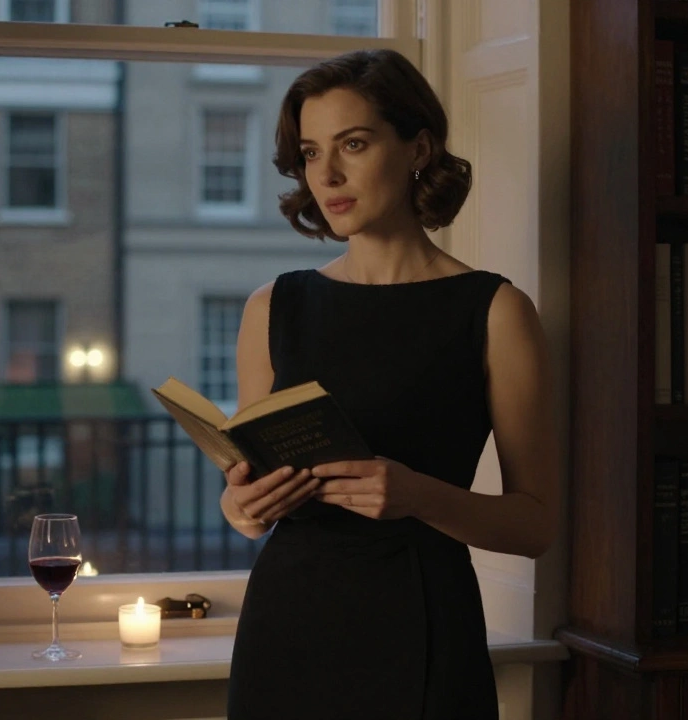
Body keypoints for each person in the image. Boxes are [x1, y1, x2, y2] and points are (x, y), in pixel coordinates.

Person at [219, 48, 560, 719]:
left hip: (422, 622)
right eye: (311, 153)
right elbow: (243, 501)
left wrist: (417, 495)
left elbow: (536, 526)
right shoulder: (273, 307)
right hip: (285, 628)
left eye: (353, 144)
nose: (328, 174)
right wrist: (243, 507)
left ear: (418, 149)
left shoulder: (495, 311)